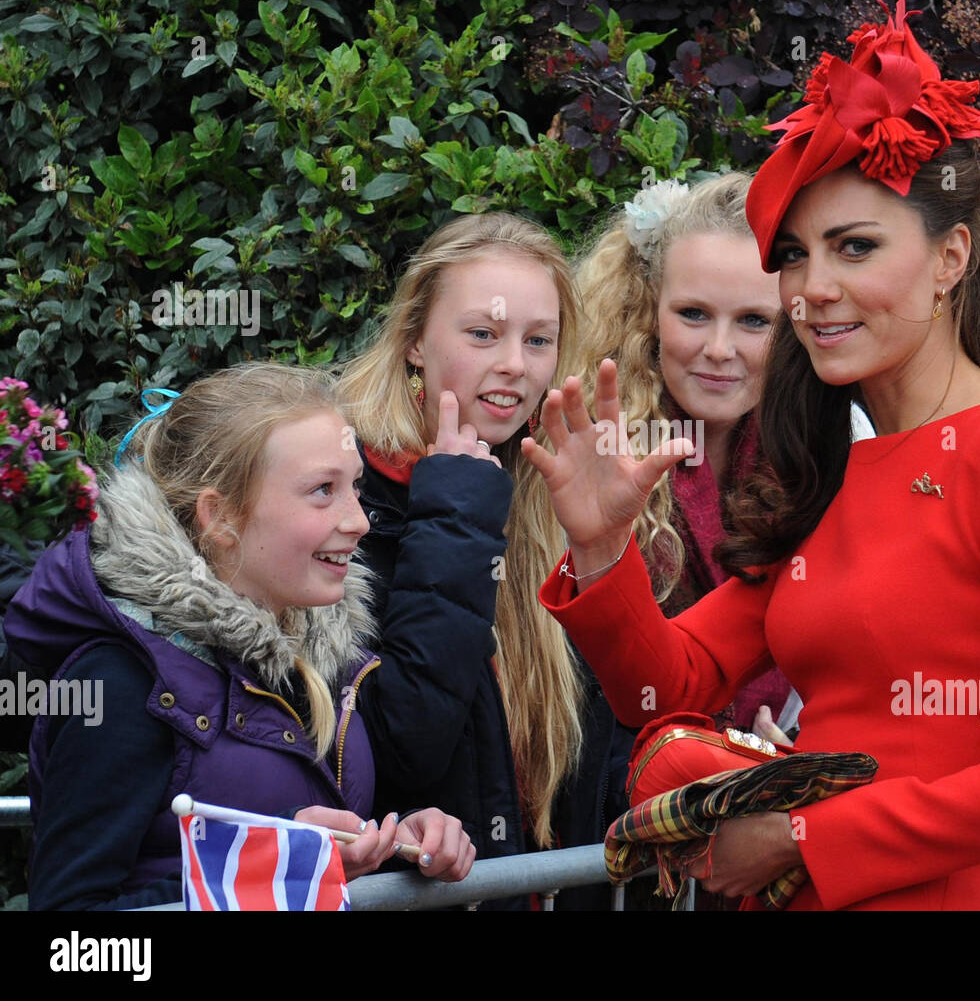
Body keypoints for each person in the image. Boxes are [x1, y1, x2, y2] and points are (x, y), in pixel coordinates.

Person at [524, 0, 980, 910]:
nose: (813, 289)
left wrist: (799, 835)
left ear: (950, 258)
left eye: (854, 247)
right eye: (798, 256)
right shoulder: (835, 465)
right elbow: (664, 690)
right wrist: (604, 548)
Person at [3, 363, 474, 910]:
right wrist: (278, 869)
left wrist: (399, 844)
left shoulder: (324, 655)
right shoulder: (119, 683)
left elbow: (319, 849)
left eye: (356, 487)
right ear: (219, 517)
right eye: (323, 490)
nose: (361, 521)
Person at [336, 213, 627, 909]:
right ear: (413, 340)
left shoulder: (543, 484)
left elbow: (593, 745)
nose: (515, 365)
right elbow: (406, 748)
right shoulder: (341, 495)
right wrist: (457, 513)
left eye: (538, 340)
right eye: (483, 334)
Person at [576, 172, 798, 743]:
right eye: (693, 314)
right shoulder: (591, 446)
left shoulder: (824, 447)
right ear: (652, 311)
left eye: (754, 321)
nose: (718, 349)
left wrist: (810, 740)